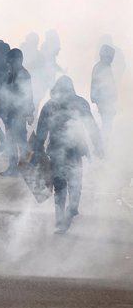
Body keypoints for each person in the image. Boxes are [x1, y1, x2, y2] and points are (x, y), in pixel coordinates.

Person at [33, 76, 103, 234]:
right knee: (71, 184)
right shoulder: (77, 103)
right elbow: (91, 127)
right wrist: (98, 146)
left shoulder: (50, 105)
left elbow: (41, 132)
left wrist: (38, 149)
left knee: (64, 185)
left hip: (66, 150)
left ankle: (65, 216)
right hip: (68, 151)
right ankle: (66, 215)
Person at [0, 48, 34, 177]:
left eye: (11, 62)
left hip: (19, 113)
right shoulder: (11, 73)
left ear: (19, 60)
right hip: (10, 113)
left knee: (21, 142)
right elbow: (6, 92)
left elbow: (28, 95)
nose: (9, 64)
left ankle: (25, 169)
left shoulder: (24, 75)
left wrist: (29, 113)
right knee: (10, 141)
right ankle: (13, 168)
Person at [90, 44, 117, 144]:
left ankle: (103, 143)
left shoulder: (101, 66)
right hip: (104, 101)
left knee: (107, 124)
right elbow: (104, 86)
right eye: (110, 57)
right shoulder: (102, 67)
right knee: (107, 125)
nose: (111, 59)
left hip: (104, 100)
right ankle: (102, 144)